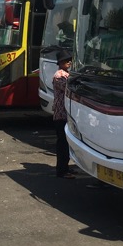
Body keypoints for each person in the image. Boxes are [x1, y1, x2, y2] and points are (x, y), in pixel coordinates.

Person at [53, 49, 75, 179]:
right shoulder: (59, 76)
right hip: (61, 115)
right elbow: (69, 88)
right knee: (62, 144)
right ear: (60, 63)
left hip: (67, 115)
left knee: (67, 144)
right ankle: (61, 171)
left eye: (70, 60)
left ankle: (66, 168)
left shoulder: (67, 73)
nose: (69, 62)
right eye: (66, 61)